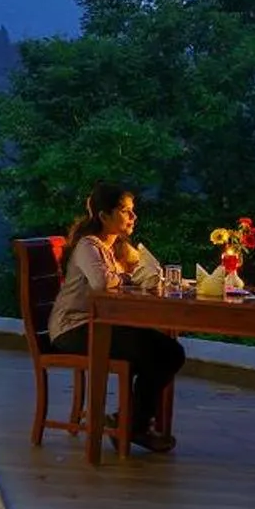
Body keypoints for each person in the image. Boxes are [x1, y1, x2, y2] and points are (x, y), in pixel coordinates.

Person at [46, 182, 183, 452]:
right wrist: (131, 276)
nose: (133, 217)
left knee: (166, 351)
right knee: (162, 352)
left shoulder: (117, 246)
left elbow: (146, 268)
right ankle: (133, 426)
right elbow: (101, 281)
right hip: (74, 328)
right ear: (104, 216)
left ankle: (129, 423)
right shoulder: (90, 246)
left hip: (100, 325)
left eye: (133, 211)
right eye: (125, 211)